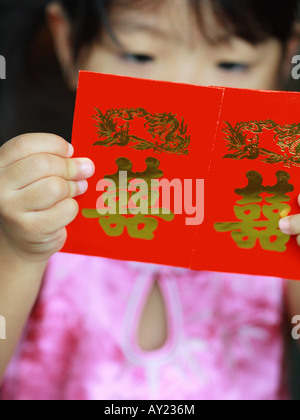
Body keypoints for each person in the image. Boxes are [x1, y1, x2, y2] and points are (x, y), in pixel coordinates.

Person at [0, 0, 300, 400]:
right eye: (140, 54)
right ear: (69, 43)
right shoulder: (32, 208)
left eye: (230, 64)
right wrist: (17, 252)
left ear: (287, 57)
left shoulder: (277, 213)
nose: (184, 91)